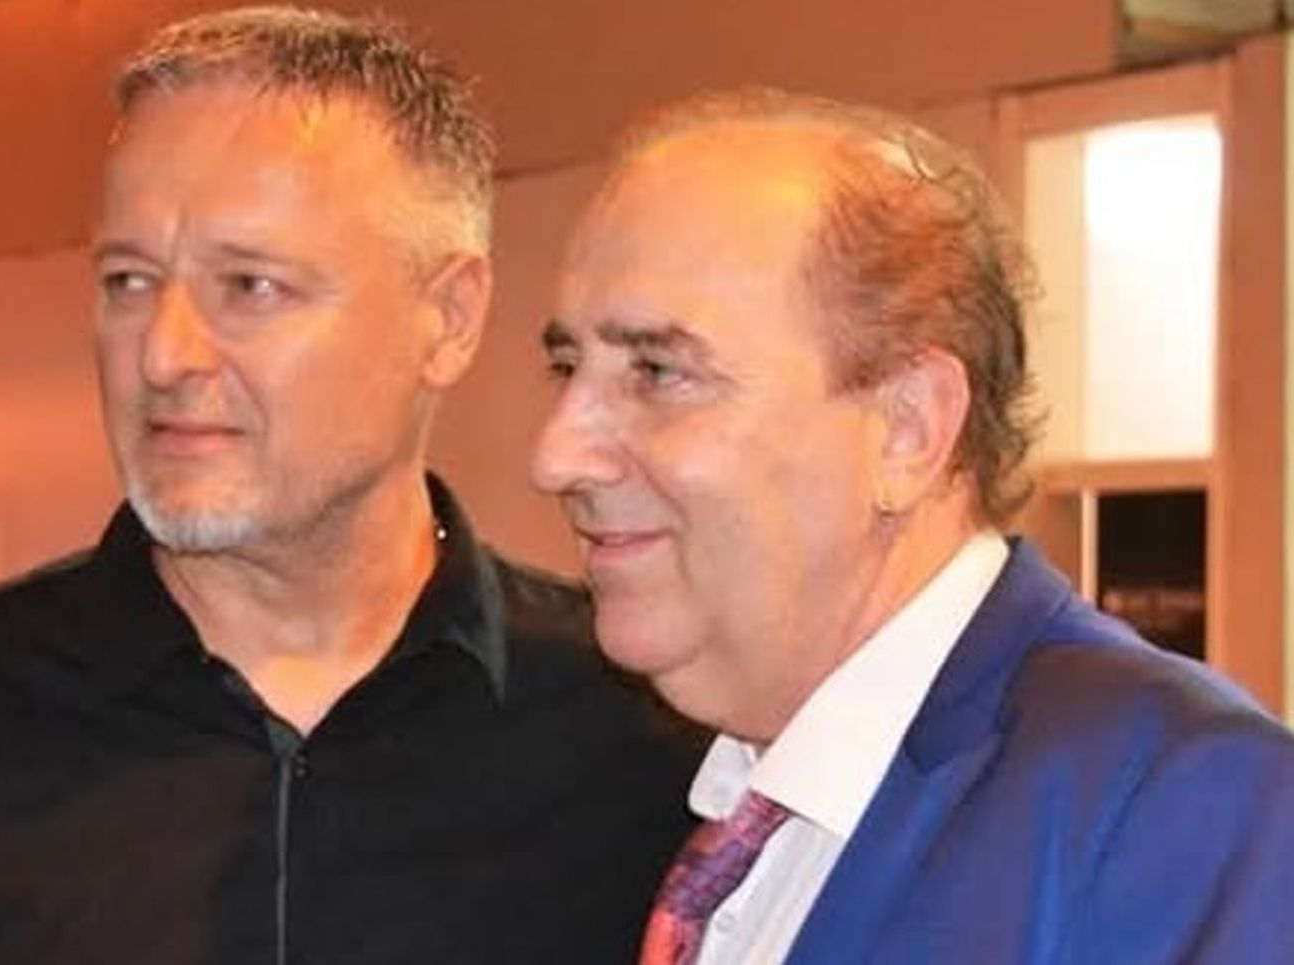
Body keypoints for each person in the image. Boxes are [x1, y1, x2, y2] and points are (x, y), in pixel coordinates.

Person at [0, 8, 700, 964]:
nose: (162, 355)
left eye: (250, 286)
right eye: (129, 281)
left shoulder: (650, 743)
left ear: (448, 317)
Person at [531, 88, 1294, 965]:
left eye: (658, 372)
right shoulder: (686, 799)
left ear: (907, 428)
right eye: (566, 366)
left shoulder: (1181, 812)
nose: (555, 455)